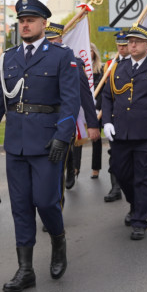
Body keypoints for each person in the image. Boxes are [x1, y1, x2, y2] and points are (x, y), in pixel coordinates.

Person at [0, 0, 80, 292]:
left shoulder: (62, 56)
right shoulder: (8, 58)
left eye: (31, 20)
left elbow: (70, 101)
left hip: (48, 142)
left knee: (46, 201)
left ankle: (58, 243)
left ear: (43, 24)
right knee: (20, 207)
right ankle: (25, 269)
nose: (25, 24)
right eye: (21, 20)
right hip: (16, 144)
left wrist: (63, 135)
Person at [101, 24, 147, 239]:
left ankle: (140, 219)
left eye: (137, 42)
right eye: (130, 41)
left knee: (144, 177)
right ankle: (134, 203)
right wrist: (107, 121)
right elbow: (107, 96)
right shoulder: (117, 69)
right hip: (121, 132)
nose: (132, 45)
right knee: (120, 171)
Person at [43, 23, 99, 192]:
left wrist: (93, 124)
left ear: (61, 39)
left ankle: (69, 165)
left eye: (54, 40)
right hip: (42, 120)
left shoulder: (73, 62)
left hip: (65, 118)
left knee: (61, 156)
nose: (51, 43)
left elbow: (85, 96)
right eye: (47, 40)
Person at [103, 33, 131, 203]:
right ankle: (115, 187)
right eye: (119, 45)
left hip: (132, 116)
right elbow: (107, 92)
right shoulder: (111, 64)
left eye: (125, 45)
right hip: (115, 116)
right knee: (114, 155)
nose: (121, 48)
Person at [86, 47, 104, 180]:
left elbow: (104, 90)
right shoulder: (78, 67)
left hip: (97, 107)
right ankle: (74, 168)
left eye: (91, 50)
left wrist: (97, 108)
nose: (89, 52)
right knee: (77, 137)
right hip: (83, 107)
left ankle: (95, 169)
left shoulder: (101, 69)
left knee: (96, 137)